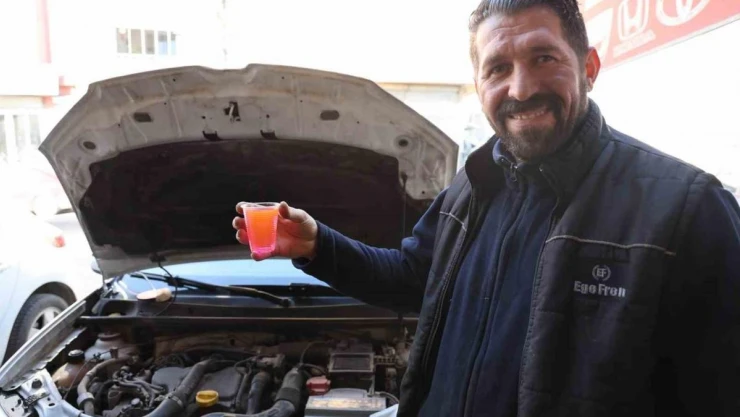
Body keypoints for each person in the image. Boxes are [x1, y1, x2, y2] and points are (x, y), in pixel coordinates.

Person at [232, 1, 740, 416]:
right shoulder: (475, 186)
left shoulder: (686, 210)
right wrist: (318, 245)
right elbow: (412, 278)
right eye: (498, 68)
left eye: (544, 58)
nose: (521, 88)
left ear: (588, 67)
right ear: (479, 85)